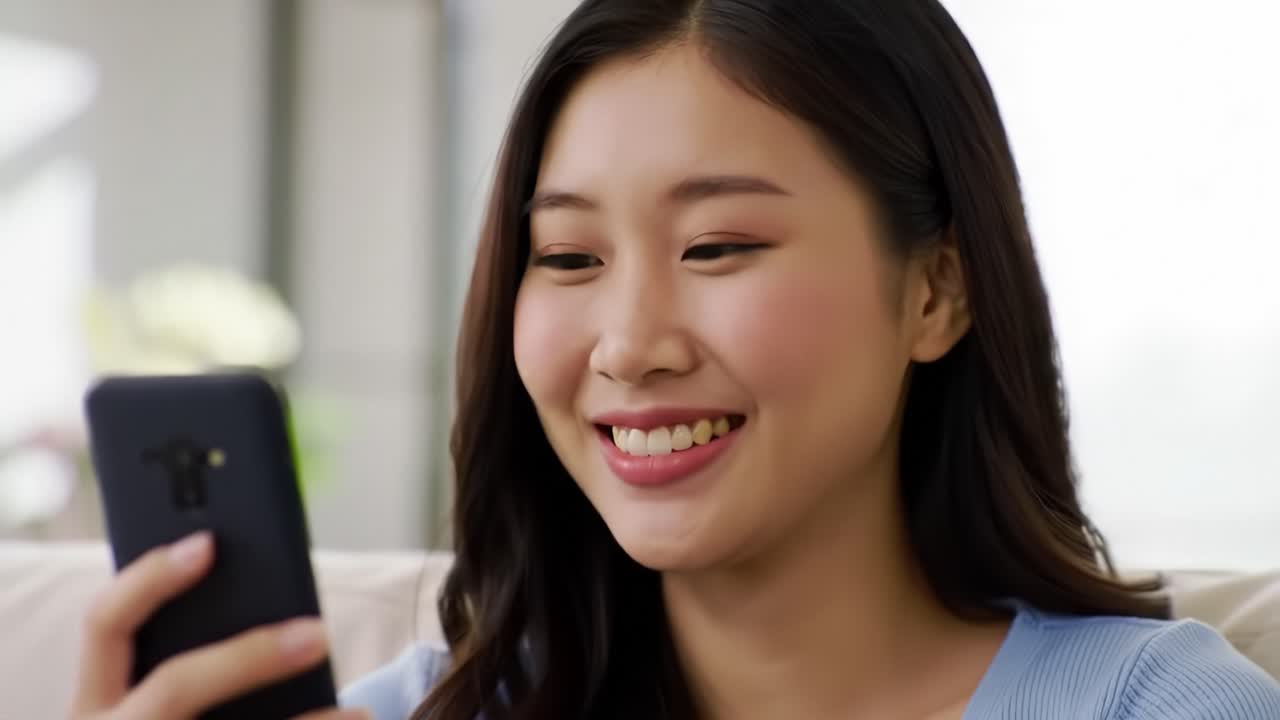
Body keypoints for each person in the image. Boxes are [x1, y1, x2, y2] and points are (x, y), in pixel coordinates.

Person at [71, 1, 1280, 719]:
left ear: (934, 292)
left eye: (716, 246)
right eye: (567, 257)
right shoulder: (416, 710)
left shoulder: (1154, 706)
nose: (629, 346)